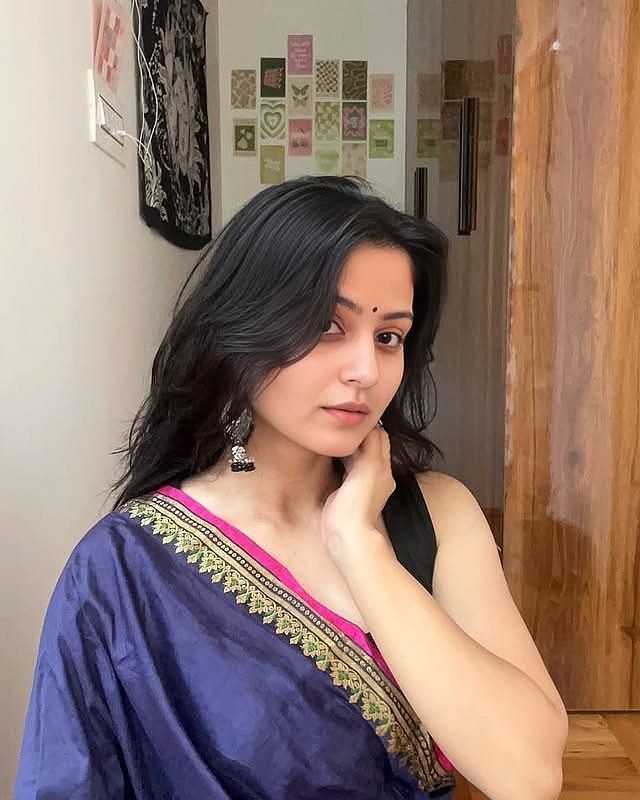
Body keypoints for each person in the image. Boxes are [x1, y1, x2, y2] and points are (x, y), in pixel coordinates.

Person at [15, 176, 568, 800]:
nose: (366, 370)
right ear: (240, 332)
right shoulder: (123, 567)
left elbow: (530, 776)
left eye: (389, 337)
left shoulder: (436, 515)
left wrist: (360, 545)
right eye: (328, 325)